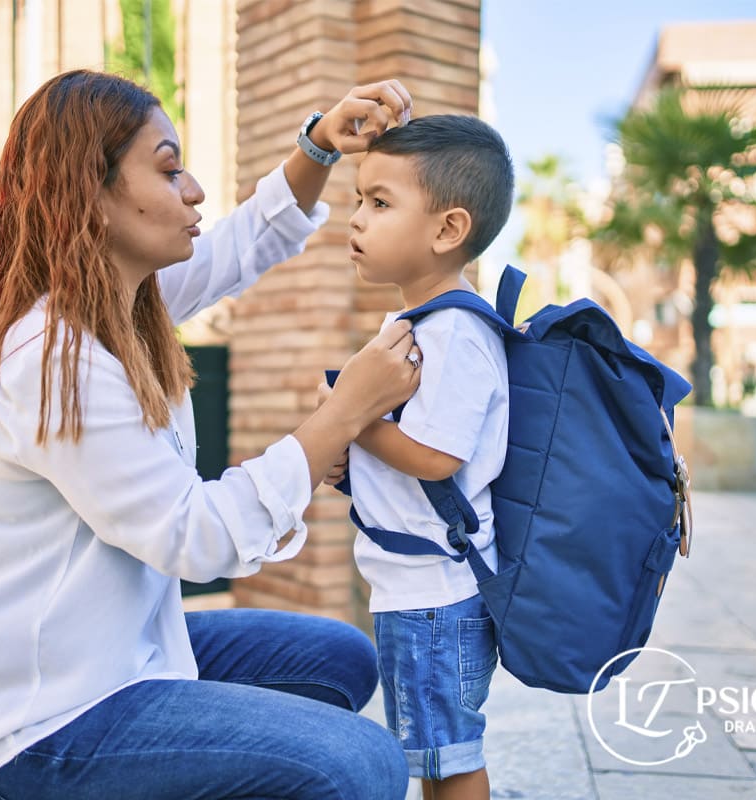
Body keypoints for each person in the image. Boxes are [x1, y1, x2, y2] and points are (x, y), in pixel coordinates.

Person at [0, 69, 421, 800]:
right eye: (168, 168)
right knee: (361, 764)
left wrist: (319, 146)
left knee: (341, 658)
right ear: (88, 194)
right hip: (41, 726)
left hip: (120, 656)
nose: (194, 191)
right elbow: (198, 538)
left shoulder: (119, 307)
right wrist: (343, 415)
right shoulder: (54, 360)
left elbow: (243, 244)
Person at [322, 115, 514, 800]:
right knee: (434, 756)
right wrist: (356, 457)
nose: (357, 220)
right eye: (356, 201)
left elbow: (436, 457)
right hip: (414, 591)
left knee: (448, 759)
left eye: (379, 203)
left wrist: (353, 414)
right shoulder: (414, 325)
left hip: (436, 597)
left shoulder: (456, 332)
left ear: (447, 230)